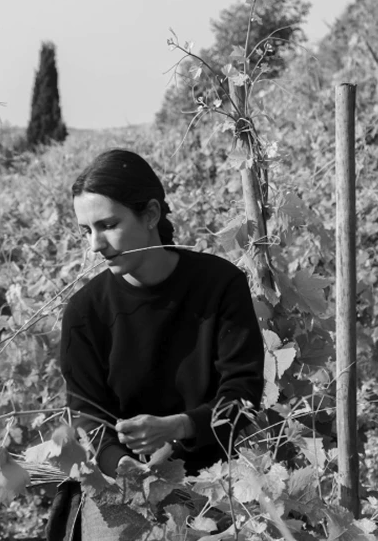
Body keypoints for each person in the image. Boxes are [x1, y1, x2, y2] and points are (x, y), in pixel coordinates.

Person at [60, 148, 265, 479]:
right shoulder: (84, 311)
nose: (95, 245)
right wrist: (119, 463)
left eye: (108, 225)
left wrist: (179, 426)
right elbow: (85, 415)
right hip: (120, 481)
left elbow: (243, 392)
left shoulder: (220, 285)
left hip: (216, 478)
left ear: (151, 214)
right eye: (87, 230)